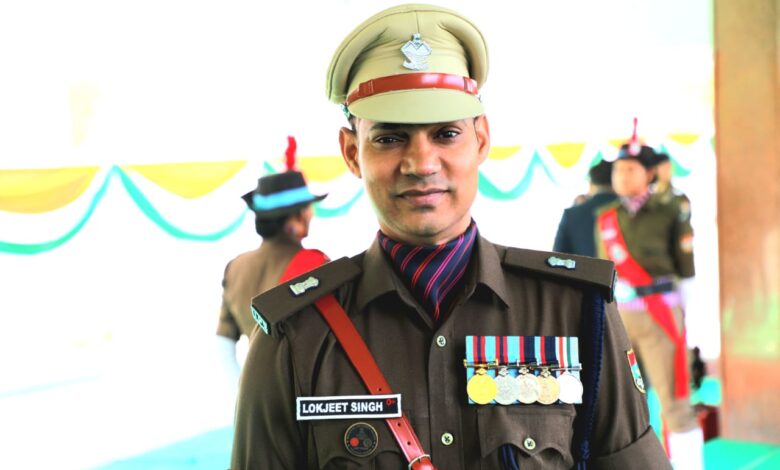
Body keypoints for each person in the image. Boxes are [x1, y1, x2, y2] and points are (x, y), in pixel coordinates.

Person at [232, 4, 670, 469]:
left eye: (445, 134)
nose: (422, 164)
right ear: (351, 152)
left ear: (481, 140)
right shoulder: (296, 334)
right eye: (389, 138)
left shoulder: (574, 309)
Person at [594, 141, 702, 469]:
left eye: (630, 169)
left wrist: (688, 322)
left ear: (649, 173)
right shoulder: (606, 218)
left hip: (660, 315)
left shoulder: (671, 209)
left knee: (675, 402)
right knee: (622, 406)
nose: (622, 176)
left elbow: (687, 270)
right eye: (618, 170)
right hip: (619, 318)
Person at [215, 136, 329, 378]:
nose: (311, 215)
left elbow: (223, 346)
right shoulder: (318, 267)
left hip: (256, 386)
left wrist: (244, 393)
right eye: (307, 209)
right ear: (294, 219)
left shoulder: (235, 267)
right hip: (302, 389)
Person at [553, 160, 617, 257]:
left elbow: (557, 257)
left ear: (590, 184)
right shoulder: (629, 211)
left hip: (582, 267)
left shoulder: (572, 214)